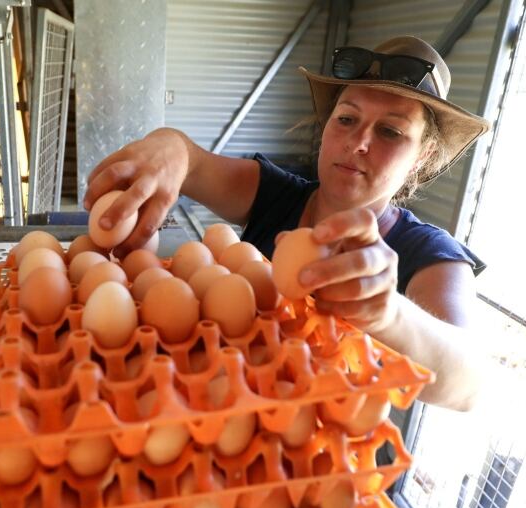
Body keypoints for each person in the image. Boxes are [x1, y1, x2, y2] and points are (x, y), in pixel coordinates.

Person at [83, 36, 490, 412]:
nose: (358, 142)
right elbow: (192, 161)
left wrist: (389, 315)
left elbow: (471, 383)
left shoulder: (427, 253)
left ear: (423, 154)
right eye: (346, 119)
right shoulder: (275, 194)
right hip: (215, 416)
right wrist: (171, 146)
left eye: (390, 131)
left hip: (317, 463)